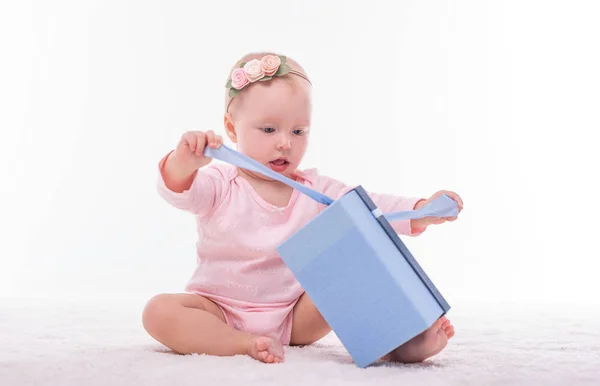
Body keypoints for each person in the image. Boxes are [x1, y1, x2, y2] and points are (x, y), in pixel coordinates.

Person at [142, 52, 463, 364]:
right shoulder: (219, 183)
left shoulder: (315, 190)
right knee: (157, 312)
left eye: (298, 131)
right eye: (269, 130)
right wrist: (183, 164)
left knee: (350, 266)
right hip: (218, 310)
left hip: (294, 316)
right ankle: (240, 344)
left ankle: (395, 344)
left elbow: (369, 207)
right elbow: (178, 190)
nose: (285, 142)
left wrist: (421, 210)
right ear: (231, 127)